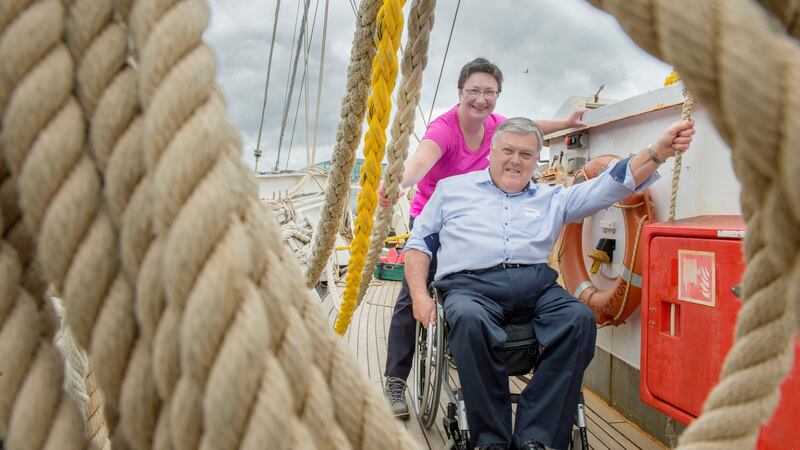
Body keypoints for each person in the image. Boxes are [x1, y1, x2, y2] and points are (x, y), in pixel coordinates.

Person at [404, 117, 695, 450]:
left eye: (526, 154)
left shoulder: (551, 197)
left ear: (536, 161)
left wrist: (657, 152)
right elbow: (419, 245)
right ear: (491, 153)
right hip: (470, 287)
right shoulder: (451, 190)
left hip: (536, 287)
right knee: (470, 321)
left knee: (579, 319)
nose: (515, 160)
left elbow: (607, 186)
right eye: (508, 150)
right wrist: (418, 296)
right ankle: (491, 442)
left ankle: (536, 437)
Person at [380, 58, 586, 419]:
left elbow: (534, 126)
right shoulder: (445, 130)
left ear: (497, 96)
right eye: (473, 91)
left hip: (479, 219)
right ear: (460, 93)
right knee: (414, 289)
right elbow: (421, 160)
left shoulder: (498, 126)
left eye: (488, 92)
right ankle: (396, 379)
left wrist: (568, 124)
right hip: (437, 215)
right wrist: (400, 184)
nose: (480, 99)